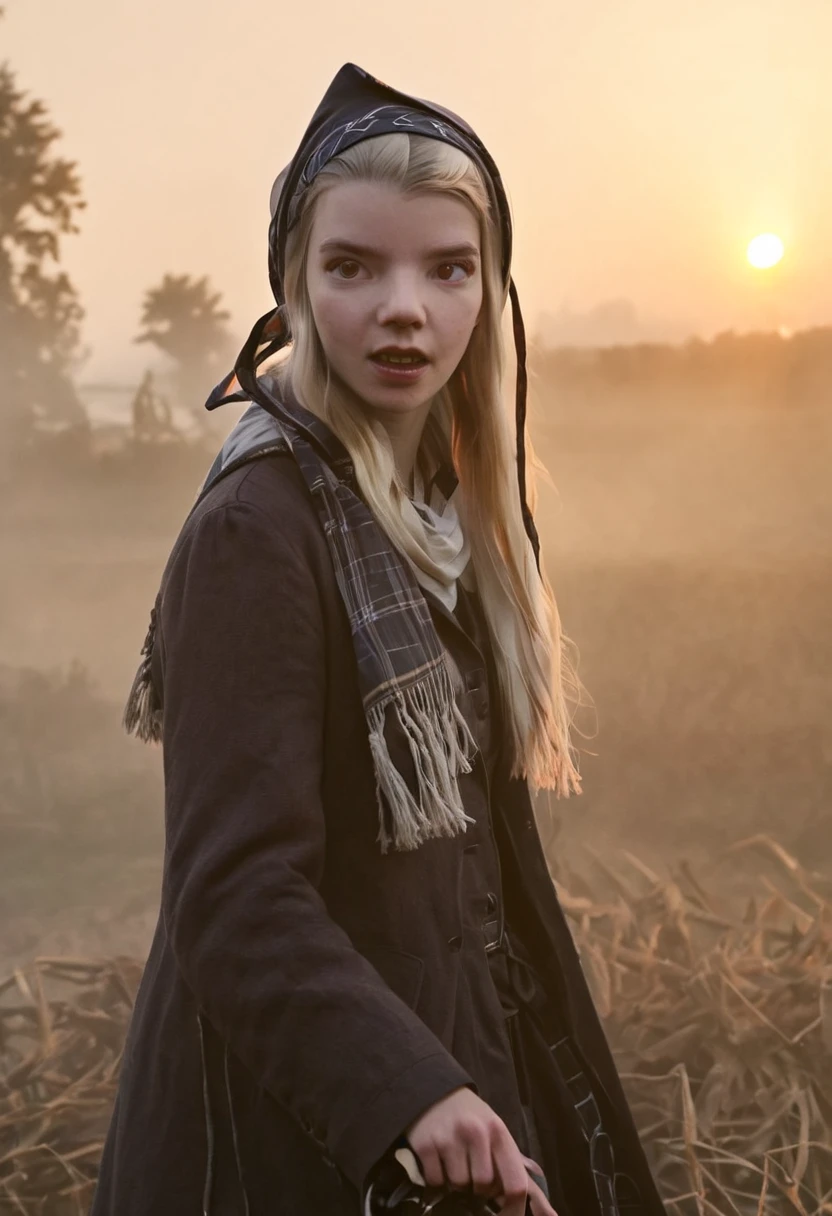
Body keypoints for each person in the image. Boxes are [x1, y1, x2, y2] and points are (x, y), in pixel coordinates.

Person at [90, 63, 666, 1216]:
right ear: (296, 285)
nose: (404, 307)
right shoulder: (260, 527)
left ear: (490, 289)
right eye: (353, 266)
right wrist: (407, 1091)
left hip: (463, 1087)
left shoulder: (451, 506)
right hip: (296, 1136)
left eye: (448, 268)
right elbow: (234, 893)